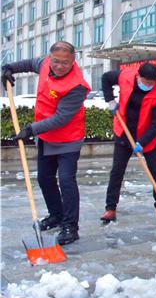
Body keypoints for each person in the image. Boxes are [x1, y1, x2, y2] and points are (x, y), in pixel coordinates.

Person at [1, 41, 90, 245]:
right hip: (46, 137)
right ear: (50, 58)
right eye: (56, 61)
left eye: (65, 63)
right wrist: (9, 68)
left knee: (67, 181)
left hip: (68, 139)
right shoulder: (44, 64)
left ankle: (70, 226)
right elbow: (30, 63)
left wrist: (31, 130)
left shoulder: (77, 86)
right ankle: (56, 215)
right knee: (44, 178)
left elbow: (61, 119)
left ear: (73, 62)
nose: (59, 66)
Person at [100, 62, 156, 223]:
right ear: (138, 76)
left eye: (152, 83)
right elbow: (106, 78)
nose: (149, 86)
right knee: (117, 172)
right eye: (146, 82)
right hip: (124, 132)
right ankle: (110, 208)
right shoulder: (125, 76)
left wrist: (143, 142)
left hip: (147, 137)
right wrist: (110, 101)